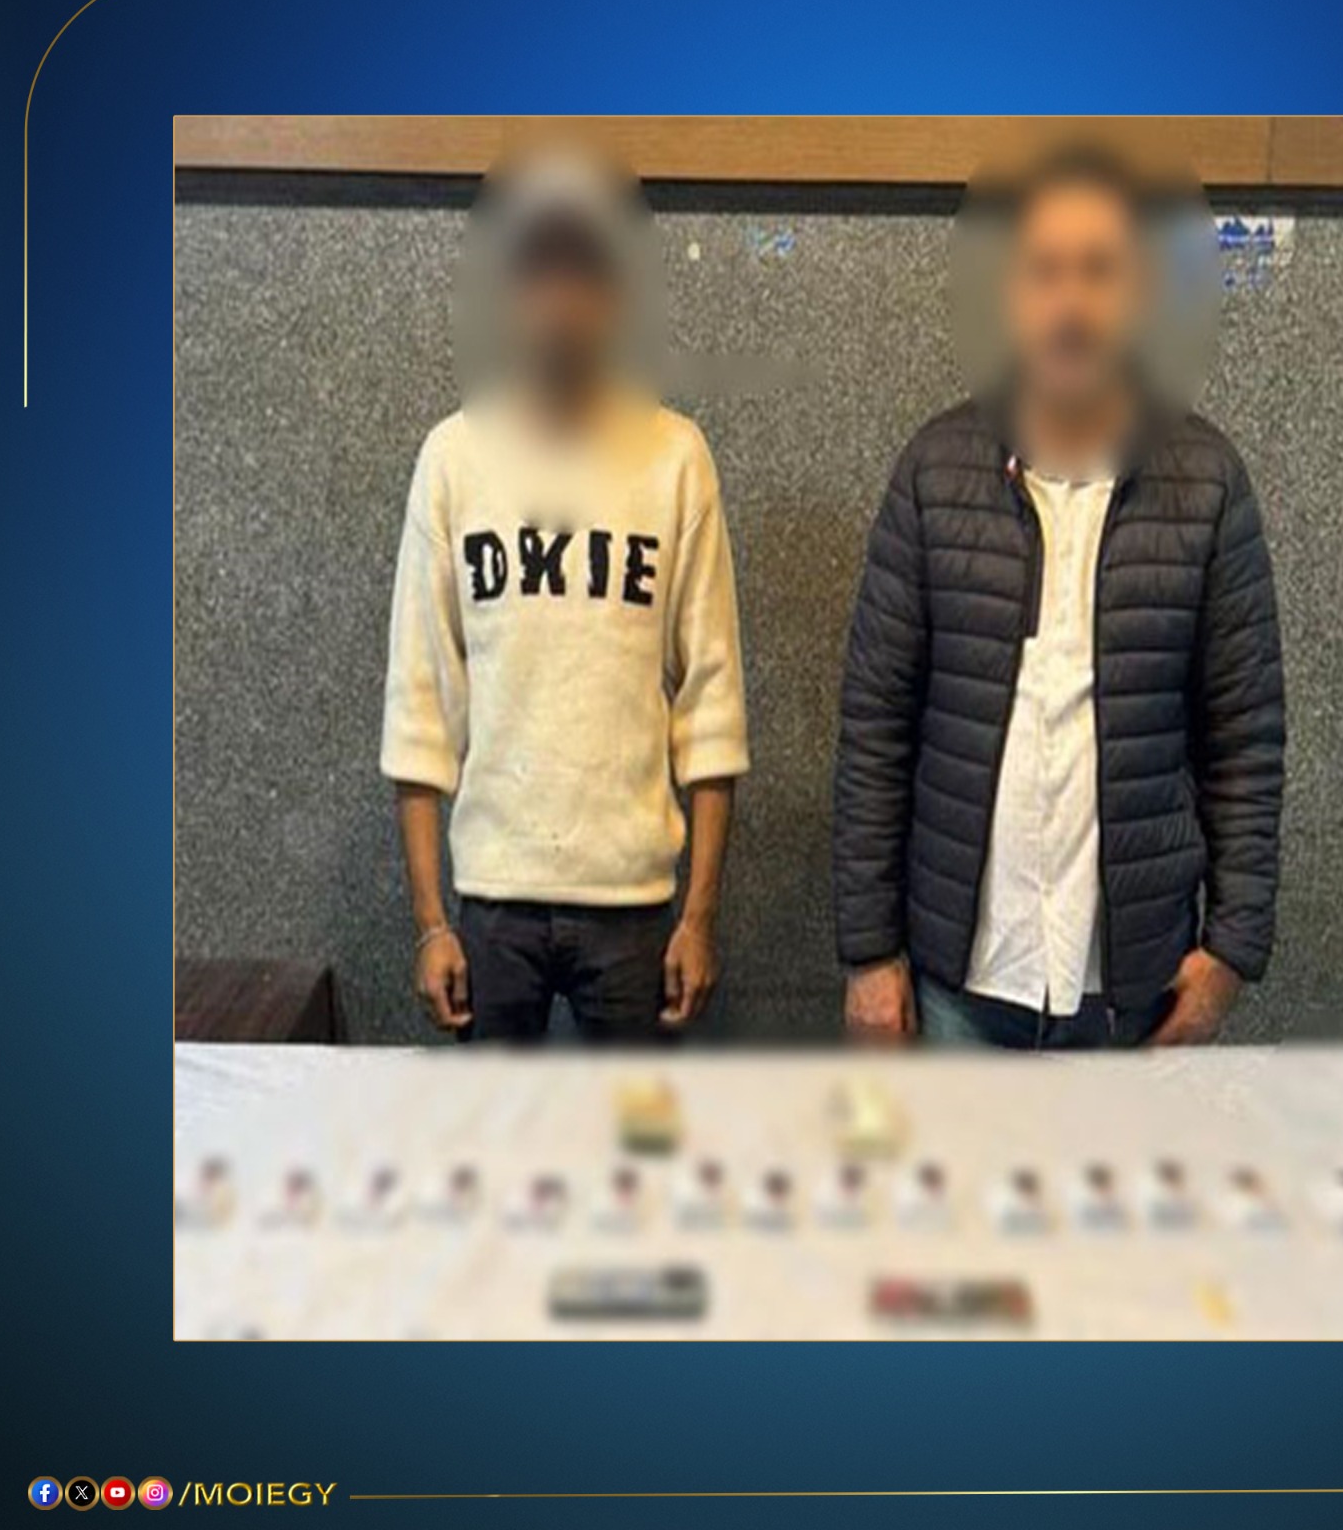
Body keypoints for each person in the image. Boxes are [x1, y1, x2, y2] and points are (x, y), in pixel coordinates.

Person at [833, 146, 1285, 1049]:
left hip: (1134, 994)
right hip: (961, 986)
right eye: (1045, 271)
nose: (1070, 303)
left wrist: (1231, 952)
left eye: (1098, 271)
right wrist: (868, 954)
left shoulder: (1207, 482)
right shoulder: (934, 472)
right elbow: (876, 728)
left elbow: (1245, 738)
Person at [381, 156, 749, 1041]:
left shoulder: (676, 458)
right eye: (537, 272)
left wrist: (698, 919)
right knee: (501, 1128)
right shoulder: (452, 460)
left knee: (630, 1128)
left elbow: (713, 707)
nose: (559, 301)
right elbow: (420, 707)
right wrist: (431, 923)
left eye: (583, 272)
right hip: (492, 902)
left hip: (634, 906)